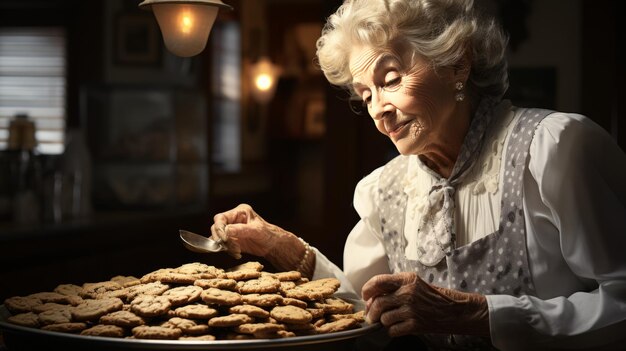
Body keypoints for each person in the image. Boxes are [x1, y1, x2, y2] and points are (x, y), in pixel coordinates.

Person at [210, 0, 626, 349]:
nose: (378, 109)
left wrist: (480, 315)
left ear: (457, 65)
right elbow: (362, 310)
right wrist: (282, 248)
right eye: (366, 94)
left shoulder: (553, 150)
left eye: (390, 80)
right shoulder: (385, 190)